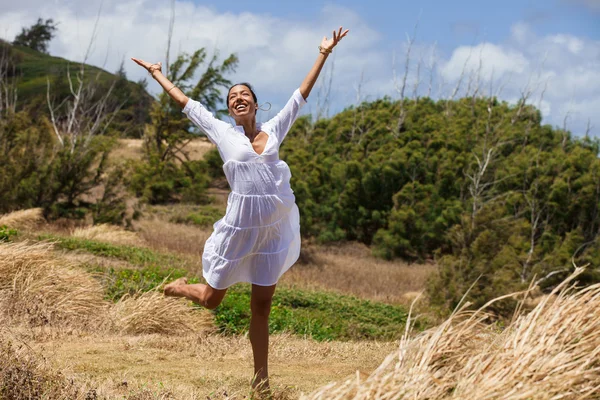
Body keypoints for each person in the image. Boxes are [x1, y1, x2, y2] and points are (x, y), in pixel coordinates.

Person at [131, 26, 349, 392]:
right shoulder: (222, 133)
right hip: (238, 228)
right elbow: (187, 103)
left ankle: (261, 383)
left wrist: (323, 53)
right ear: (229, 108)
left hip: (272, 230)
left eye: (244, 94)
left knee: (261, 308)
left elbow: (301, 95)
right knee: (211, 301)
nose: (238, 98)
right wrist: (156, 74)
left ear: (255, 103)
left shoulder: (275, 129)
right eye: (232, 96)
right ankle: (178, 289)